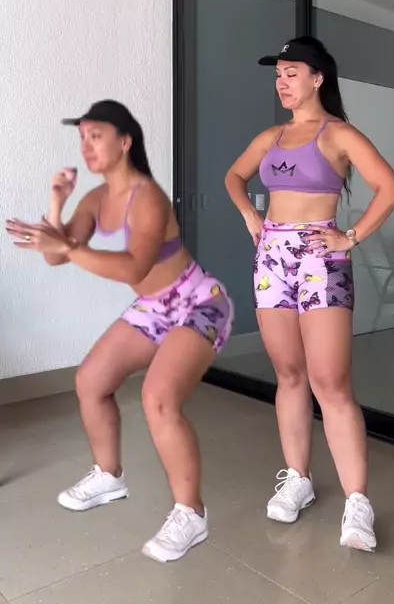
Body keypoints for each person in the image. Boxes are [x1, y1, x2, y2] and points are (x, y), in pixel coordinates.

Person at [6, 100, 234, 564]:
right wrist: (57, 201)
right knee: (90, 381)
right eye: (82, 138)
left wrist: (67, 248)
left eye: (96, 136)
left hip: (199, 302)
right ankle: (109, 475)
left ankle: (191, 513)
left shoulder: (147, 197)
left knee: (159, 398)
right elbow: (54, 256)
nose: (86, 146)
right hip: (154, 307)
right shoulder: (95, 199)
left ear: (125, 141)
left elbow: (134, 267)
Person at [225, 37, 394, 552]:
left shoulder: (338, 134)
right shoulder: (272, 136)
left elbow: (390, 188)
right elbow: (234, 176)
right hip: (271, 259)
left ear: (318, 77)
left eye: (291, 73)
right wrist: (250, 213)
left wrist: (350, 237)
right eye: (277, 75)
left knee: (331, 382)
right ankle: (298, 478)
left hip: (320, 258)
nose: (281, 83)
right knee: (289, 374)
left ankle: (357, 502)